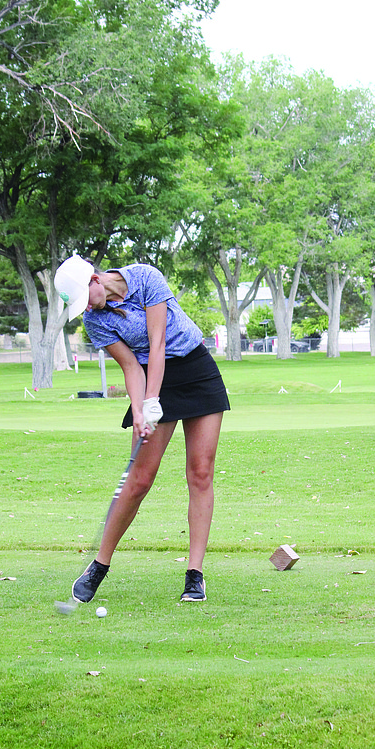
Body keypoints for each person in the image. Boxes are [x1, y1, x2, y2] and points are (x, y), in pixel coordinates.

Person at [54, 254, 230, 604]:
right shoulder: (95, 321)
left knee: (200, 472)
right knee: (139, 479)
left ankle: (194, 575)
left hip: (196, 370)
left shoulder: (146, 278)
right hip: (150, 376)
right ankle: (99, 566)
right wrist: (140, 409)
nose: (86, 307)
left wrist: (152, 400)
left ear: (94, 279)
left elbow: (158, 341)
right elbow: (132, 365)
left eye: (84, 297)